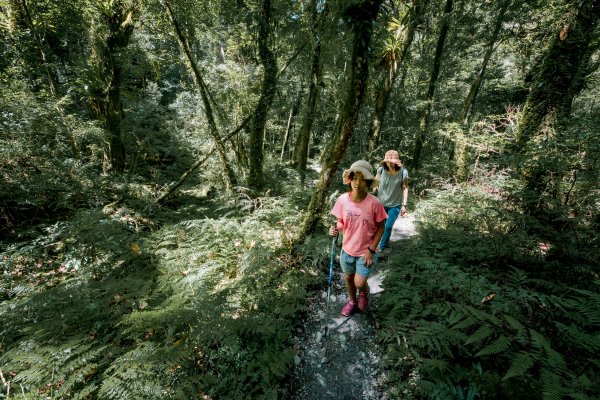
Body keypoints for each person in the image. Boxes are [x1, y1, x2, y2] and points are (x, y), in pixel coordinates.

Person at [329, 160, 387, 316]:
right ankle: (352, 301)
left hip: (365, 251)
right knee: (348, 277)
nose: (357, 182)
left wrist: (371, 250)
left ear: (368, 183)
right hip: (347, 249)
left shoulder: (375, 204)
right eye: (354, 178)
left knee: (359, 282)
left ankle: (363, 292)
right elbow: (340, 222)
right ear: (350, 179)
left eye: (362, 179)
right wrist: (335, 229)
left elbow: (381, 227)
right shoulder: (342, 200)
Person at [373, 150, 409, 253]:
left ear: (397, 162)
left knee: (388, 227)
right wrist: (375, 188)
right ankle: (374, 245)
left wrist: (404, 205)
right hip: (380, 204)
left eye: (393, 162)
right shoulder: (380, 170)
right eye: (388, 161)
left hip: (395, 205)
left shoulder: (403, 172)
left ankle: (381, 248)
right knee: (378, 227)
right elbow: (375, 183)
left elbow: (405, 188)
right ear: (385, 161)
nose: (391, 163)